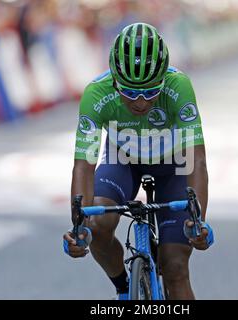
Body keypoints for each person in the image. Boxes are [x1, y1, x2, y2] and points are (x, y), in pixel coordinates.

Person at [63, 22, 214, 300]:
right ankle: (123, 289)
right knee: (97, 225)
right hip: (124, 162)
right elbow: (84, 165)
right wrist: (79, 226)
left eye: (151, 92)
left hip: (174, 167)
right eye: (130, 93)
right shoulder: (96, 94)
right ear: (114, 81)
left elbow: (197, 159)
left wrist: (198, 220)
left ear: (163, 81)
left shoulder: (179, 86)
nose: (141, 102)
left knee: (176, 266)